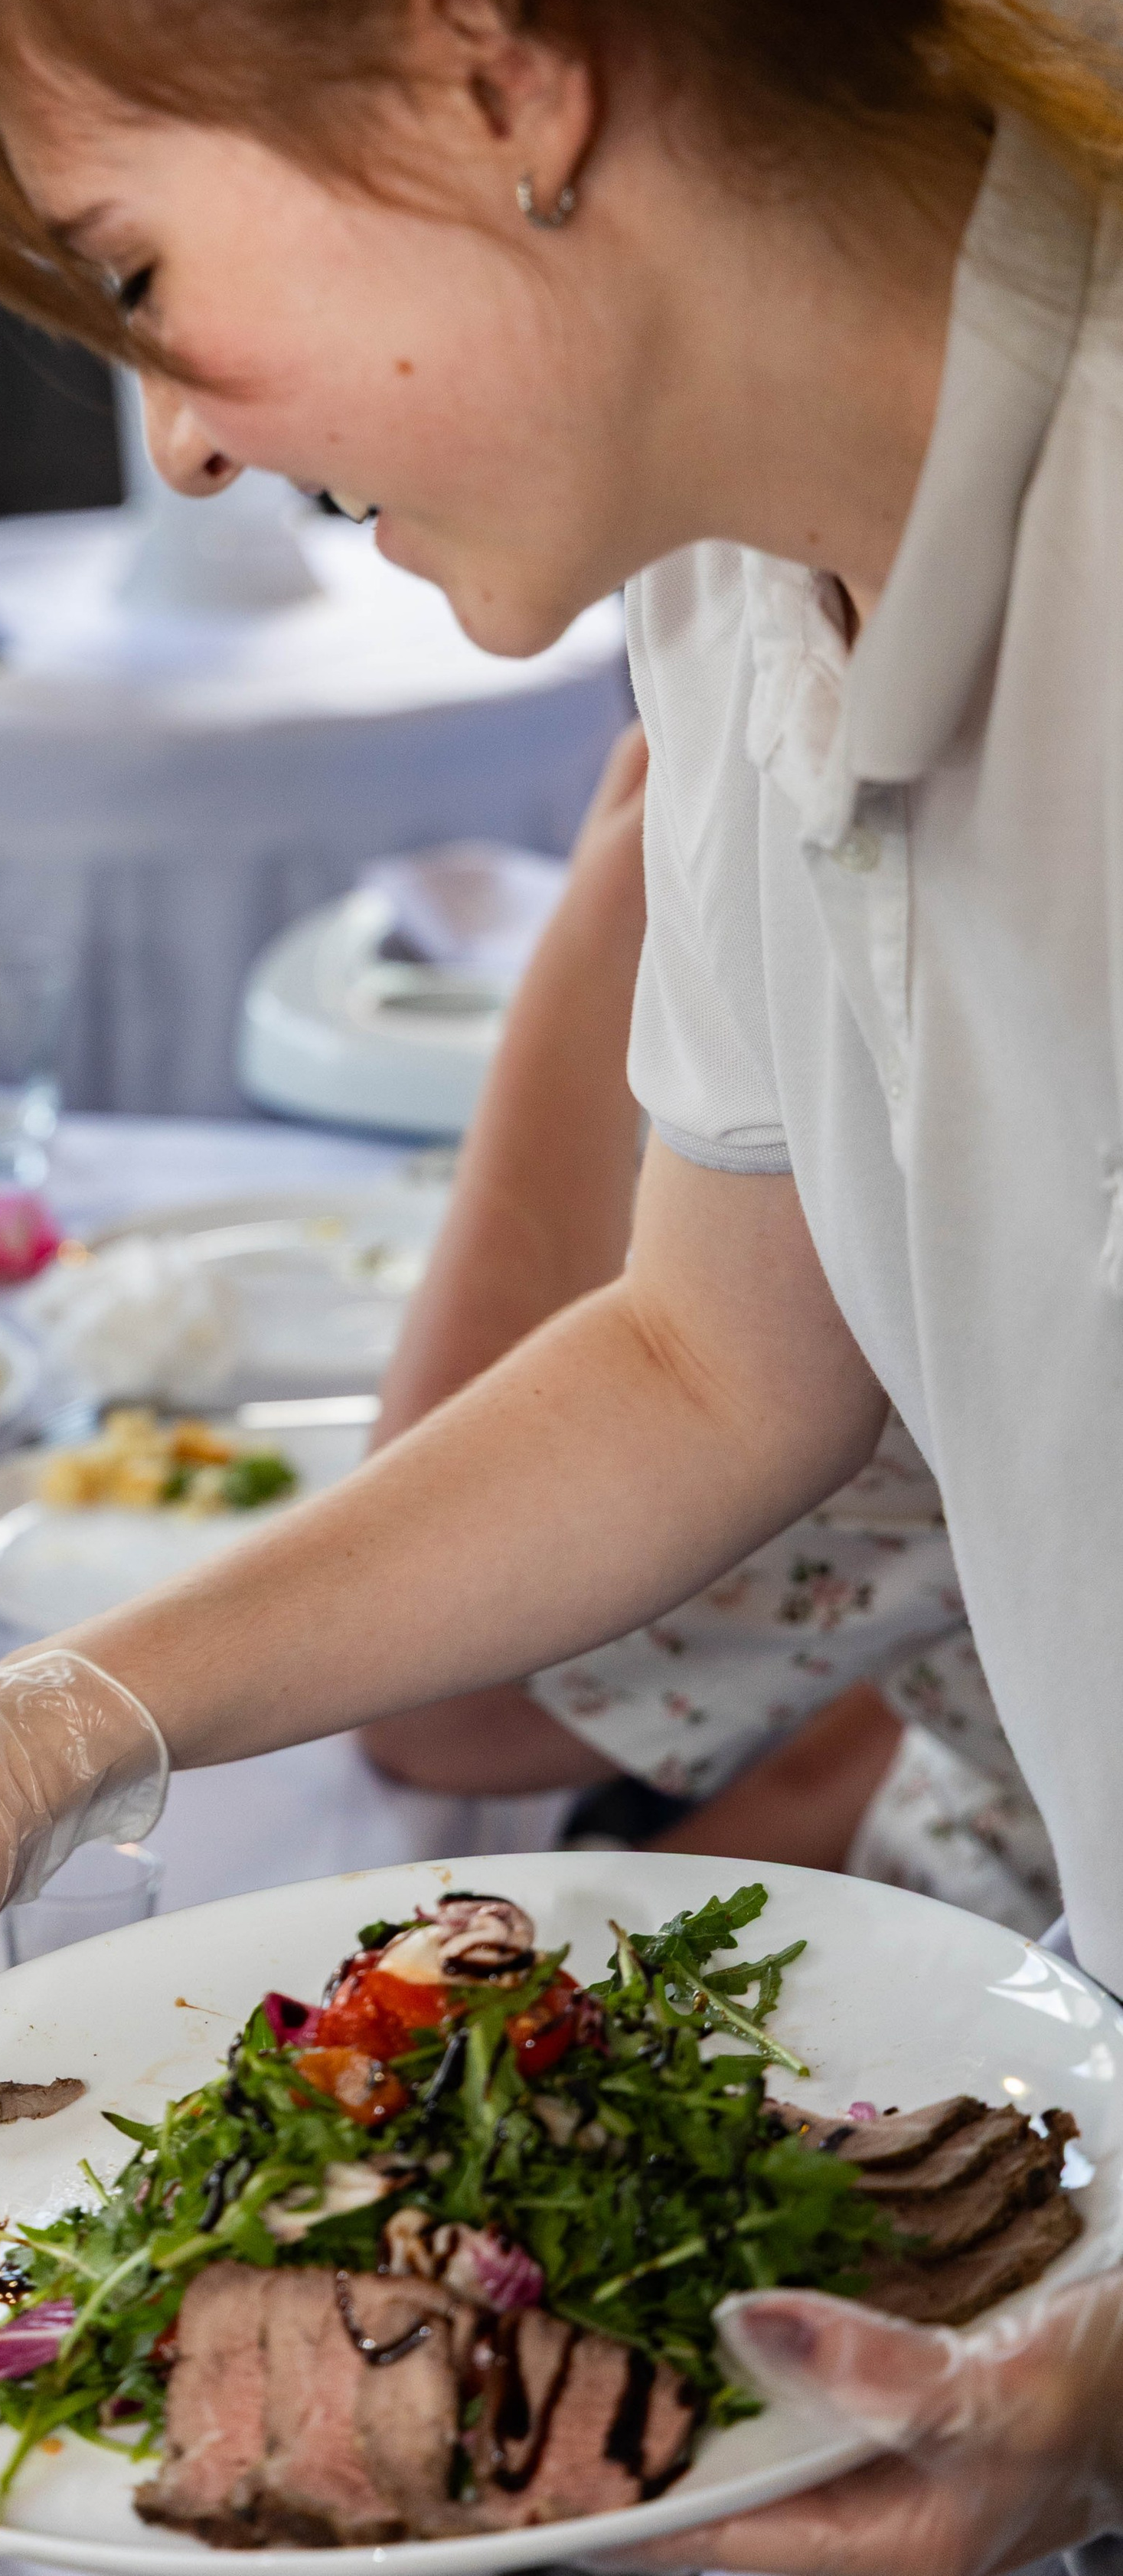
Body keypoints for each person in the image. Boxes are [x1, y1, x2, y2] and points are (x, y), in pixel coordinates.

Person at [0, 0, 1123, 2565]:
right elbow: (707, 1369)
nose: (178, 444)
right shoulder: (749, 594)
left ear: (487, 67)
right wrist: (7, 1744)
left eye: (133, 276)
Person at [358, 721, 1059, 1938]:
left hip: (1034, 1972)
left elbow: (433, 1700)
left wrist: (609, 924)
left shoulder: (934, 880)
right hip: (959, 1814)